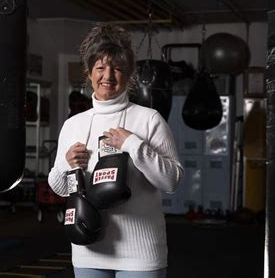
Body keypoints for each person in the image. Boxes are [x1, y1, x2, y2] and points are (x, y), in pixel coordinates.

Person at [48, 24, 184, 278]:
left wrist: (134, 145)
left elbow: (172, 181)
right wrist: (67, 165)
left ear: (129, 74)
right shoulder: (73, 125)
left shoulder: (149, 119)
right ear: (89, 74)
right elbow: (58, 187)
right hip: (89, 250)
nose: (108, 76)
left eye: (117, 69)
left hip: (141, 254)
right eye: (100, 68)